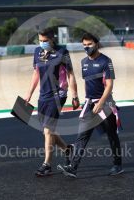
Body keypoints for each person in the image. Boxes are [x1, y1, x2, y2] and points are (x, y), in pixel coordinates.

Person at [57, 32, 124, 178]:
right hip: (89, 104)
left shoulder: (106, 61)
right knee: (82, 136)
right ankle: (73, 168)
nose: (87, 47)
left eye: (90, 44)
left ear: (97, 44)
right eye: (84, 45)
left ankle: (117, 164)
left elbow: (109, 85)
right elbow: (89, 84)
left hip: (105, 103)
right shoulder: (83, 62)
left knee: (112, 135)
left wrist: (101, 103)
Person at [24, 27, 80, 177]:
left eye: (45, 41)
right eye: (40, 41)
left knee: (48, 130)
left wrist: (75, 95)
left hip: (58, 95)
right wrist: (29, 93)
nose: (42, 43)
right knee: (47, 131)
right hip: (43, 95)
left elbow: (71, 75)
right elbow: (36, 73)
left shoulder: (63, 52)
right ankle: (67, 149)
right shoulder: (37, 52)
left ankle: (47, 164)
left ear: (52, 39)